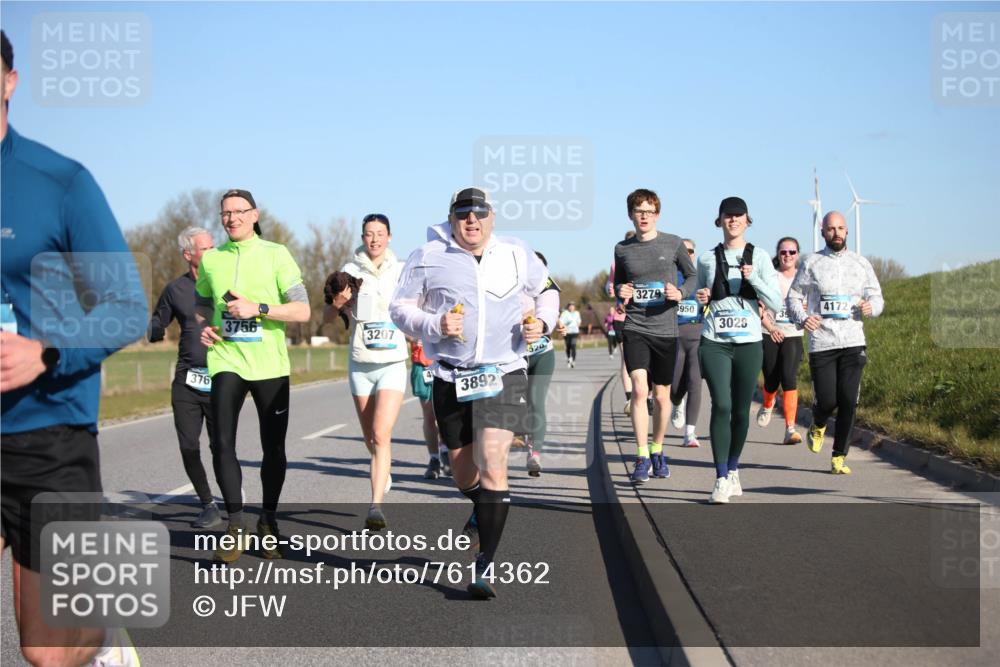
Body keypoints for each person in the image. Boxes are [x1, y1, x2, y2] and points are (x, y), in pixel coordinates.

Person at [1, 29, 147, 666]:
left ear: (9, 81)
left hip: (47, 430)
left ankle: (102, 639)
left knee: (47, 650)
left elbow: (128, 308)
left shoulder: (59, 182)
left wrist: (47, 350)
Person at [390, 186, 551, 599]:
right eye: (464, 215)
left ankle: (485, 567)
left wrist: (543, 324)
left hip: (504, 371)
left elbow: (547, 291)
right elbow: (400, 308)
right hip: (451, 377)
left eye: (479, 214)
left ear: (492, 218)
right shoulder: (427, 257)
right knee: (464, 471)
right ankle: (482, 508)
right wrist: (435, 325)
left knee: (494, 460)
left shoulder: (517, 253)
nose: (472, 222)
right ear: (452, 218)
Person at [196, 189, 310, 562]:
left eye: (239, 211)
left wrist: (258, 308)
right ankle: (235, 525)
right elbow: (201, 304)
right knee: (222, 443)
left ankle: (269, 521)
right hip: (226, 359)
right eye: (225, 213)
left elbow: (302, 311)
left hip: (269, 366)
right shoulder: (211, 260)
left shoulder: (277, 254)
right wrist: (206, 326)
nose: (231, 218)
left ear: (254, 214)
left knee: (273, 448)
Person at [694, 197, 782, 504]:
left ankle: (733, 468)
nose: (733, 221)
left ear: (747, 221)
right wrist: (701, 297)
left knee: (741, 412)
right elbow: (697, 299)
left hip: (748, 342)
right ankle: (719, 477)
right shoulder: (706, 258)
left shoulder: (759, 257)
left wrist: (753, 278)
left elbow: (775, 303)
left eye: (738, 216)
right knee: (722, 404)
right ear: (719, 221)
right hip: (715, 341)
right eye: (727, 216)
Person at [324, 214, 407, 529]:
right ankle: (383, 467)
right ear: (362, 237)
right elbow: (327, 318)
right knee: (369, 438)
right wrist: (337, 302)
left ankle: (375, 507)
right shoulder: (348, 272)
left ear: (389, 236)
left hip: (392, 363)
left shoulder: (401, 271)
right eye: (369, 234)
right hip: (360, 363)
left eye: (380, 233)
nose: (374, 239)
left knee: (381, 433)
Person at [787, 211, 884, 474]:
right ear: (823, 232)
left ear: (848, 231)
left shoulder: (861, 263)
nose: (836, 233)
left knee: (849, 401)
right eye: (831, 229)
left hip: (853, 340)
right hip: (823, 341)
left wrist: (870, 307)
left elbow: (877, 298)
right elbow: (793, 297)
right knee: (828, 400)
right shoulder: (812, 263)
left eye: (841, 228)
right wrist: (803, 318)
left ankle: (839, 456)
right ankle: (818, 423)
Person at [613, 189, 696, 484]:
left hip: (665, 329)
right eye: (639, 211)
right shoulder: (622, 249)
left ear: (657, 214)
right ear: (631, 215)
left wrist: (681, 292)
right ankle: (641, 456)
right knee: (638, 390)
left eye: (649, 210)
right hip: (636, 327)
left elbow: (693, 276)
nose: (644, 215)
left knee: (662, 397)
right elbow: (621, 284)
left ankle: (657, 448)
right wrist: (621, 293)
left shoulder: (673, 244)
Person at [148, 226, 223, 528]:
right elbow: (158, 321)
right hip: (187, 379)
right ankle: (208, 504)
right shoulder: (175, 289)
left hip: (222, 377)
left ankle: (234, 501)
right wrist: (152, 329)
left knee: (221, 446)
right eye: (206, 248)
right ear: (189, 255)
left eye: (213, 246)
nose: (212, 252)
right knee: (189, 445)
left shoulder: (226, 284)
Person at [757, 236, 806, 445]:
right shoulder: (770, 277)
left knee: (788, 377)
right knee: (771, 377)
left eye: (792, 252)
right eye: (783, 252)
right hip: (768, 332)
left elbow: (814, 304)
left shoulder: (804, 278)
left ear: (797, 255)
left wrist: (807, 311)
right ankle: (768, 403)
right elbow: (759, 306)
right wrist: (770, 327)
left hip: (792, 333)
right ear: (778, 254)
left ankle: (790, 428)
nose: (787, 256)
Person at [519, 252, 561, 477]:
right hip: (515, 357)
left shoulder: (549, 288)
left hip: (542, 354)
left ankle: (535, 455)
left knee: (536, 402)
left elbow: (554, 313)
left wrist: (558, 323)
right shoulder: (512, 286)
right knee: (516, 405)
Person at [669, 238, 705, 448]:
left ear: (694, 254)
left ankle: (690, 433)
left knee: (695, 382)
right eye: (681, 250)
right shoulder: (670, 277)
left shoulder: (702, 276)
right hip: (673, 334)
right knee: (673, 387)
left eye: (690, 250)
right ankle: (677, 403)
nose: (686, 254)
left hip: (697, 333)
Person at [408, 338, 450, 479]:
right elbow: (399, 326)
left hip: (446, 364)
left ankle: (446, 452)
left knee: (445, 414)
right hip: (422, 365)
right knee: (429, 415)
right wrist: (413, 337)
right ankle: (434, 460)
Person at [606, 231, 634, 414]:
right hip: (624, 317)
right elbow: (610, 287)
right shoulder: (617, 264)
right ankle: (633, 399)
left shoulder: (616, 263)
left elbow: (609, 288)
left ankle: (638, 397)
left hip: (635, 316)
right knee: (628, 359)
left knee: (633, 361)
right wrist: (612, 289)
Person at [558, 302, 581, 368]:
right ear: (568, 307)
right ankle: (569, 358)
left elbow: (579, 321)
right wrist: (563, 325)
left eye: (573, 306)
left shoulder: (577, 313)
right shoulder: (565, 313)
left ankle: (573, 360)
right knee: (568, 346)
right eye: (570, 306)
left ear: (574, 307)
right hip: (567, 332)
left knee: (573, 345)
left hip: (574, 332)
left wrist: (578, 324)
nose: (571, 307)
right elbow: (560, 321)